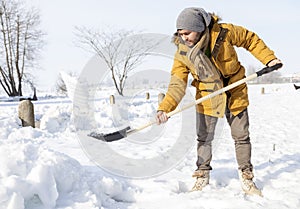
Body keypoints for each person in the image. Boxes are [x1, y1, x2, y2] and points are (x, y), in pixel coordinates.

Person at [155, 7, 282, 195]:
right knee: (204, 138)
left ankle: (247, 177)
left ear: (199, 28)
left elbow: (250, 39)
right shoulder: (183, 53)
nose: (184, 38)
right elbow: (177, 82)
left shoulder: (224, 33)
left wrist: (269, 59)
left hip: (235, 90)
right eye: (180, 34)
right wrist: (164, 108)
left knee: (241, 136)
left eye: (187, 33)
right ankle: (202, 176)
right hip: (208, 95)